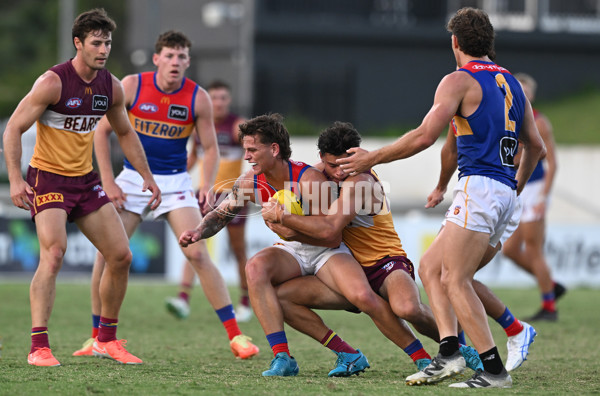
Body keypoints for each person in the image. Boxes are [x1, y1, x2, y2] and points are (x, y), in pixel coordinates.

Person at [337, 7, 545, 388]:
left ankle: (493, 370)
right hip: (502, 193)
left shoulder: (458, 80)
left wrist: (372, 157)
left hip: (480, 187)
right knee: (432, 268)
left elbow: (423, 136)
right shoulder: (512, 83)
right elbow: (537, 146)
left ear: (455, 43)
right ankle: (449, 352)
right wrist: (515, 185)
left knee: (455, 279)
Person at [179, 114, 429, 378]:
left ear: (274, 149)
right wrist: (198, 232)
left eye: (252, 150)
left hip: (327, 251)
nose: (247, 157)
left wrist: (286, 224)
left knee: (363, 297)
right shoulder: (249, 181)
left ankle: (423, 358)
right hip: (295, 249)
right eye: (246, 150)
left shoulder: (309, 179)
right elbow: (221, 214)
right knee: (256, 268)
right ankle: (289, 357)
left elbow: (330, 236)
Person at [71, 30, 259, 361]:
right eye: (169, 56)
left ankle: (236, 336)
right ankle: (95, 338)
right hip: (131, 182)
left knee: (198, 255)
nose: (175, 62)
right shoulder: (132, 85)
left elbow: (211, 147)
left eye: (182, 57)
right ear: (157, 59)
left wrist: (206, 184)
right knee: (108, 255)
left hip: (175, 184)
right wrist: (109, 182)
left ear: (188, 61)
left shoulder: (197, 97)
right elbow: (101, 133)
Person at [2, 8, 161, 367]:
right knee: (54, 253)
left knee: (121, 256)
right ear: (78, 43)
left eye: (107, 43)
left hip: (85, 181)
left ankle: (106, 339)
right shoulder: (52, 82)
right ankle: (38, 346)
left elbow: (125, 133)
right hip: (49, 179)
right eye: (96, 43)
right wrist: (15, 179)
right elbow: (13, 129)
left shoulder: (111, 86)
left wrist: (147, 175)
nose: (103, 49)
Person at [262, 122, 484, 375]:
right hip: (345, 264)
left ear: (357, 155)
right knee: (282, 297)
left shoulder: (361, 181)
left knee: (407, 308)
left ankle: (462, 348)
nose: (337, 172)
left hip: (383, 261)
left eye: (344, 164)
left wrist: (284, 218)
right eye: (332, 165)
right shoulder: (314, 174)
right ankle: (347, 353)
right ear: (322, 157)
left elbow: (329, 228)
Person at [427, 128, 537, 373]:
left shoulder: (501, 99)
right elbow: (450, 148)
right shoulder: (467, 102)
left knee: (454, 278)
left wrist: (514, 184)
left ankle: (509, 335)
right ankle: (461, 350)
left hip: (487, 194)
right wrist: (441, 187)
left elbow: (536, 147)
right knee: (444, 274)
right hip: (475, 193)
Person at [165, 80, 251, 322]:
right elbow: (191, 159)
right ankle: (182, 299)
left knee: (238, 250)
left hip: (234, 198)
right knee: (194, 242)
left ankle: (245, 302)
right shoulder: (199, 127)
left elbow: (255, 156)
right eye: (214, 98)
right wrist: (170, 179)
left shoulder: (237, 127)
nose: (219, 102)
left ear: (229, 100)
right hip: (205, 195)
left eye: (223, 98)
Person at [502, 73, 564, 321]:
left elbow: (552, 163)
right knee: (510, 250)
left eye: (526, 92)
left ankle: (549, 306)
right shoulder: (507, 119)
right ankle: (551, 285)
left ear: (532, 96)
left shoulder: (539, 122)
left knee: (534, 249)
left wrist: (543, 197)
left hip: (534, 188)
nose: (522, 95)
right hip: (517, 188)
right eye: (519, 90)